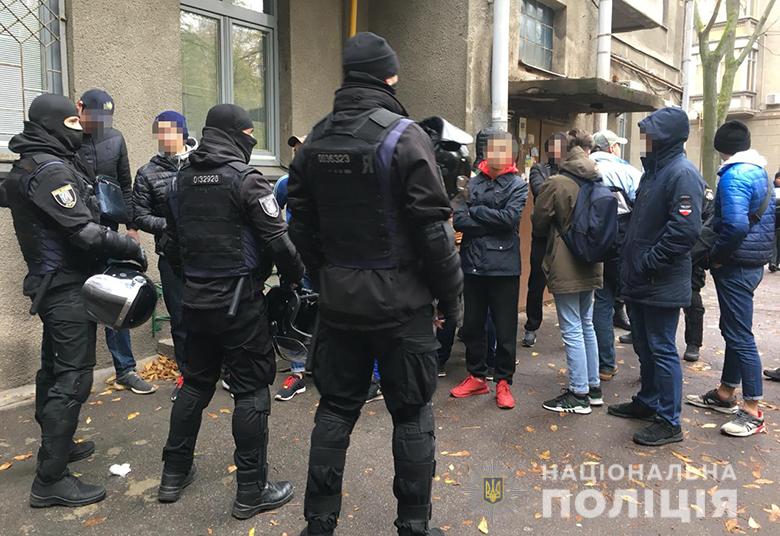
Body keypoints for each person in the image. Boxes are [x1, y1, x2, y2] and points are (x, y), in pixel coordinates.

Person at [288, 32, 462, 536]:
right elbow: (434, 232)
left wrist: (327, 274)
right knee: (411, 413)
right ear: (390, 76)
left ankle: (319, 523)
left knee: (335, 409)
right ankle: (413, 525)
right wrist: (451, 298)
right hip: (402, 306)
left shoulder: (315, 139)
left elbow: (299, 223)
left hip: (340, 304)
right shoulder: (406, 136)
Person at [157, 104, 305, 520]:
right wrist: (294, 279)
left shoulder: (180, 180)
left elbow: (171, 245)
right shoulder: (246, 179)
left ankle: (173, 475)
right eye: (249, 134)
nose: (252, 140)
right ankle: (251, 491)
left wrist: (196, 281)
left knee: (194, 385)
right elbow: (279, 243)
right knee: (252, 390)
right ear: (237, 135)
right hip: (240, 305)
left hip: (196, 302)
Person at [4, 94, 146, 508]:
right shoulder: (49, 170)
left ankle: (57, 447)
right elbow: (83, 232)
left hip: (59, 283)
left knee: (53, 370)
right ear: (50, 124)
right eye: (70, 122)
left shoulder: (36, 163)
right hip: (65, 286)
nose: (78, 129)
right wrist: (130, 247)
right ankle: (50, 480)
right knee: (73, 378)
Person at [608, 107, 704, 446]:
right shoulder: (654, 172)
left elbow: (684, 231)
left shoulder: (682, 174)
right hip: (641, 278)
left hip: (659, 279)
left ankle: (669, 421)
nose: (644, 140)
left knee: (662, 349)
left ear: (665, 138)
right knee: (645, 346)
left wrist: (649, 262)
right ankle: (648, 401)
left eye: (649, 135)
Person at [685, 120, 775, 437]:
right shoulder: (759, 171)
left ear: (720, 148)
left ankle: (752, 409)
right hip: (751, 262)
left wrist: (718, 256)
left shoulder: (734, 175)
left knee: (739, 334)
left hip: (736, 263)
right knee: (734, 329)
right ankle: (725, 393)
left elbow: (735, 225)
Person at [77, 89, 155, 395]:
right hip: (76, 232)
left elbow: (125, 184)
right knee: (76, 303)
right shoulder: (67, 138)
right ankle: (77, 376)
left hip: (108, 231)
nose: (98, 125)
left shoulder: (115, 138)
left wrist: (132, 227)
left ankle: (125, 369)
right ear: (80, 108)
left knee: (116, 299)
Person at [450, 128, 527, 410]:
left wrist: (477, 212)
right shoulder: (472, 183)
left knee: (505, 329)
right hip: (473, 264)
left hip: (504, 267)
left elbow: (509, 219)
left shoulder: (517, 185)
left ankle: (504, 381)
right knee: (472, 325)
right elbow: (459, 219)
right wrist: (487, 220)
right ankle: (477, 376)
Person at [533, 129, 603, 414]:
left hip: (565, 260)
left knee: (572, 328)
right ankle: (593, 388)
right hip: (592, 258)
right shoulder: (596, 176)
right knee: (587, 324)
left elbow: (538, 222)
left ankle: (578, 393)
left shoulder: (557, 182)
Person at [132, 111, 197, 401]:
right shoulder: (147, 172)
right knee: (180, 319)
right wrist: (171, 225)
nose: (164, 138)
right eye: (160, 132)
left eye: (169, 131)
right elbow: (140, 215)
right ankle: (187, 376)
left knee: (216, 314)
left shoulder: (202, 163)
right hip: (172, 257)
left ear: (183, 132)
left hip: (207, 255)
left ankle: (226, 371)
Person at [589, 130, 642, 381]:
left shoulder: (585, 170)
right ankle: (647, 367)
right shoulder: (628, 171)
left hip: (596, 239)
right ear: (611, 148)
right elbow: (641, 205)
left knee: (602, 300)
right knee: (634, 300)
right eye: (617, 145)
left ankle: (605, 365)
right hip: (624, 238)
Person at [522, 132, 567, 347]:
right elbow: (540, 191)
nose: (557, 152)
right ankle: (531, 326)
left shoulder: (570, 169)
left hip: (564, 236)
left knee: (566, 283)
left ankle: (568, 329)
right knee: (536, 283)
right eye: (554, 147)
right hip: (542, 235)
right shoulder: (539, 169)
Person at [273, 134, 308, 402]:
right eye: (295, 151)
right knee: (294, 313)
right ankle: (297, 372)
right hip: (296, 262)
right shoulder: (285, 183)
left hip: (327, 264)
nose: (298, 156)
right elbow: (273, 218)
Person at [681, 186, 715, 363]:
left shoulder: (701, 190)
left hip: (692, 253)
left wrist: (692, 254)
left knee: (693, 300)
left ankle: (693, 343)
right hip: (665, 250)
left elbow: (709, 226)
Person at [768, 171, 780, 272]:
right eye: (779, 178)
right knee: (773, 242)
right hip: (773, 220)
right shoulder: (770, 189)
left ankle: (776, 262)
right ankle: (772, 262)